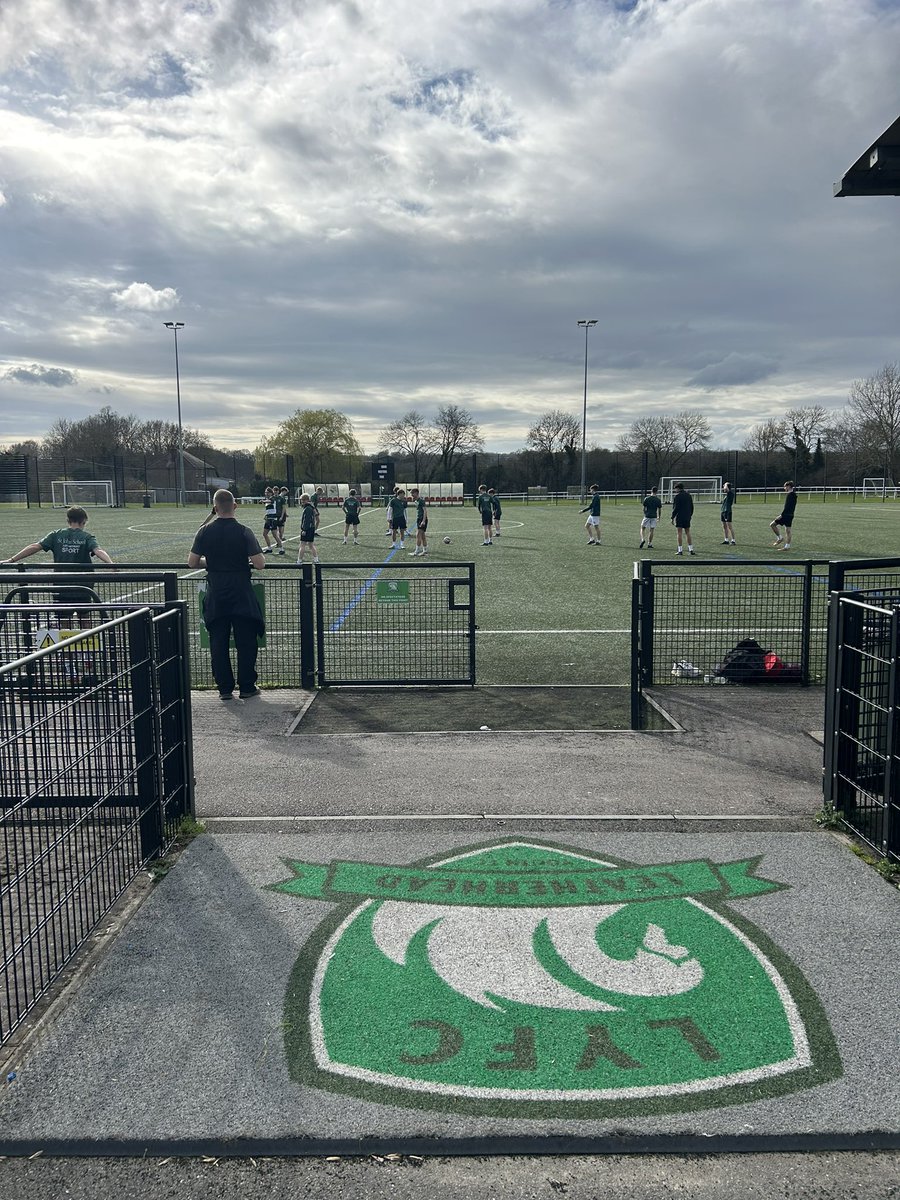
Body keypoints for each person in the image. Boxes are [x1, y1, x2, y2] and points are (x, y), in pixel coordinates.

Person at [188, 489, 266, 700]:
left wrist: (211, 563)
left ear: (215, 508)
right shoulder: (244, 531)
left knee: (218, 642)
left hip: (217, 592)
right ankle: (247, 686)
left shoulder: (204, 531)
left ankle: (224, 688)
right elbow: (260, 564)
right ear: (235, 506)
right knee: (246, 642)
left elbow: (192, 562)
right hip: (241, 591)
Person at [3, 506, 114, 621]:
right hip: (83, 585)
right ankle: (85, 638)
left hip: (61, 584)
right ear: (84, 521)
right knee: (84, 618)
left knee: (63, 620)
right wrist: (111, 564)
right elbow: (98, 551)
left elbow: (35, 546)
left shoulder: (56, 535)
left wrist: (11, 560)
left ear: (68, 520)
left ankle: (65, 639)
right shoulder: (87, 537)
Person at [770, 481, 798, 550]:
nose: (784, 488)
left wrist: (781, 515)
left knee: (772, 525)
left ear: (788, 486)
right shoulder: (794, 494)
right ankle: (787, 546)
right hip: (791, 515)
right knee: (788, 531)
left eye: (785, 486)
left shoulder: (790, 495)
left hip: (786, 515)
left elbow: (787, 507)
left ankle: (780, 538)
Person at [671, 483, 695, 555]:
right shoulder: (688, 495)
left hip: (680, 516)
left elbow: (676, 508)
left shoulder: (677, 496)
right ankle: (691, 549)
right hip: (687, 516)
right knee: (688, 532)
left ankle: (680, 550)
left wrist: (672, 517)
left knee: (679, 533)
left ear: (678, 488)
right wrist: (690, 515)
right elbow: (692, 507)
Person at [297, 493, 321, 564]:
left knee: (302, 545)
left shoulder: (307, 508)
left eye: (303, 500)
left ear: (307, 500)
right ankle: (316, 559)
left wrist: (304, 529)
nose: (302, 502)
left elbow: (306, 520)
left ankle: (299, 560)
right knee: (311, 545)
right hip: (311, 528)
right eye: (302, 500)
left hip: (307, 529)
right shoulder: (311, 507)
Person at [410, 487, 428, 556]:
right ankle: (425, 550)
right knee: (423, 536)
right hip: (419, 519)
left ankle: (416, 551)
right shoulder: (416, 501)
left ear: (416, 493)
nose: (411, 495)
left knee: (418, 534)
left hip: (422, 519)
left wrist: (423, 521)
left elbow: (425, 510)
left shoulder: (421, 501)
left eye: (412, 493)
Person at [261, 487, 279, 553]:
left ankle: (281, 549)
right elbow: (269, 510)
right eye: (266, 492)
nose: (266, 493)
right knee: (264, 534)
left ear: (271, 493)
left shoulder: (272, 498)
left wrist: (263, 501)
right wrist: (266, 515)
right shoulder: (267, 499)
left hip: (272, 519)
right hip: (268, 519)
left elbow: (271, 501)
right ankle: (269, 548)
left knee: (275, 535)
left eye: (268, 492)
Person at [274, 487, 289, 554]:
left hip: (281, 516)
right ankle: (279, 541)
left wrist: (284, 514)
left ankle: (279, 541)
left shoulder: (282, 498)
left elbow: (284, 507)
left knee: (281, 529)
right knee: (277, 530)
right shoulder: (277, 498)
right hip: (276, 515)